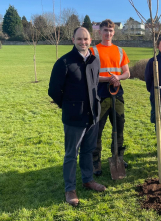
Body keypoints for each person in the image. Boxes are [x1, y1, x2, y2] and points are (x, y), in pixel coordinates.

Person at [48, 27, 106, 207]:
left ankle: (87, 179)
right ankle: (70, 189)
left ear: (90, 40)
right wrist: (67, 105)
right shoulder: (64, 62)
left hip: (93, 115)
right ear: (73, 39)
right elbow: (54, 91)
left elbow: (95, 84)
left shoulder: (95, 60)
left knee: (88, 150)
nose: (83, 42)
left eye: (86, 39)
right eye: (79, 39)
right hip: (74, 117)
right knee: (71, 154)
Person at [90, 19, 130, 176]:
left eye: (110, 31)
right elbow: (91, 75)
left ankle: (118, 157)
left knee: (119, 127)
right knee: (97, 129)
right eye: (105, 30)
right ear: (100, 32)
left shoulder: (120, 51)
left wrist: (118, 78)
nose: (108, 33)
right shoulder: (93, 51)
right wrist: (109, 79)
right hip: (100, 95)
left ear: (114, 32)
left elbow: (127, 72)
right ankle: (95, 161)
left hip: (117, 94)